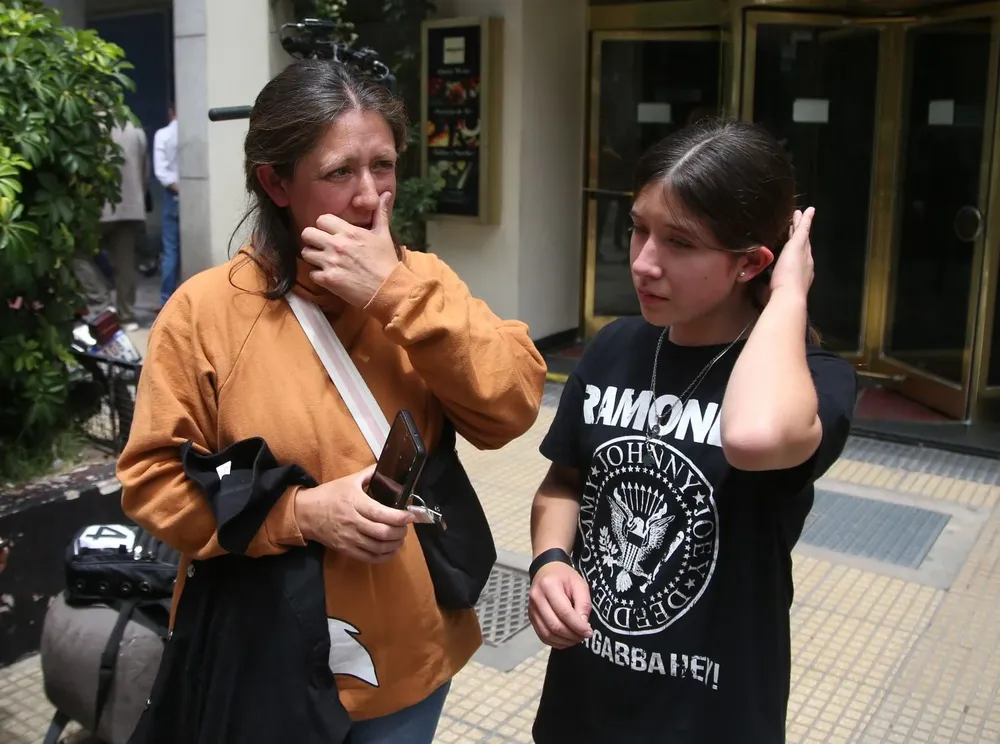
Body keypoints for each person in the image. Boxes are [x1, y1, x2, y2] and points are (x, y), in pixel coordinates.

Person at [116, 59, 546, 743]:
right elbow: (152, 484)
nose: (371, 196)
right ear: (276, 183)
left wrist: (395, 294)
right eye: (341, 172)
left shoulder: (423, 283)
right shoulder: (204, 313)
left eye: (384, 166)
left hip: (408, 656)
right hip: (266, 661)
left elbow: (513, 406)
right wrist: (299, 512)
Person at [527, 118, 858, 743]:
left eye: (679, 242)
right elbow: (563, 485)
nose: (644, 263)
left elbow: (754, 438)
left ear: (749, 264)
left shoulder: (814, 384)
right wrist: (549, 562)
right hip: (585, 705)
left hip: (711, 716)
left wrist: (789, 291)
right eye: (639, 229)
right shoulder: (616, 346)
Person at [99, 118, 149, 330]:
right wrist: (139, 194)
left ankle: (99, 304)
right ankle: (126, 316)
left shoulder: (90, 127)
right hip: (131, 205)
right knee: (125, 265)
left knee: (77, 256)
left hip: (98, 207)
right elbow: (144, 169)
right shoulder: (135, 128)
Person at [153, 104, 179, 307]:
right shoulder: (190, 132)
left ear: (170, 112)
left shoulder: (163, 135)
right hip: (189, 194)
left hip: (173, 194)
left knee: (170, 250)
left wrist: (177, 188)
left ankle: (166, 300)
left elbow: (160, 171)